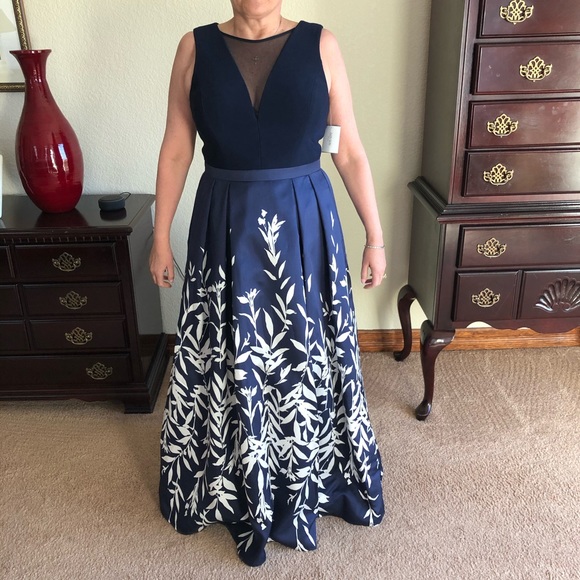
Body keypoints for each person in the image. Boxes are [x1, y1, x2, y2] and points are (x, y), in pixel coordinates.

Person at [150, 0, 386, 567]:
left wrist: (375, 237)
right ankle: (232, 483)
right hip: (223, 223)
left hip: (303, 225)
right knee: (226, 353)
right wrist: (159, 236)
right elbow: (177, 149)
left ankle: (305, 479)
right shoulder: (193, 47)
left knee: (303, 355)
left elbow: (348, 150)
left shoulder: (322, 44)